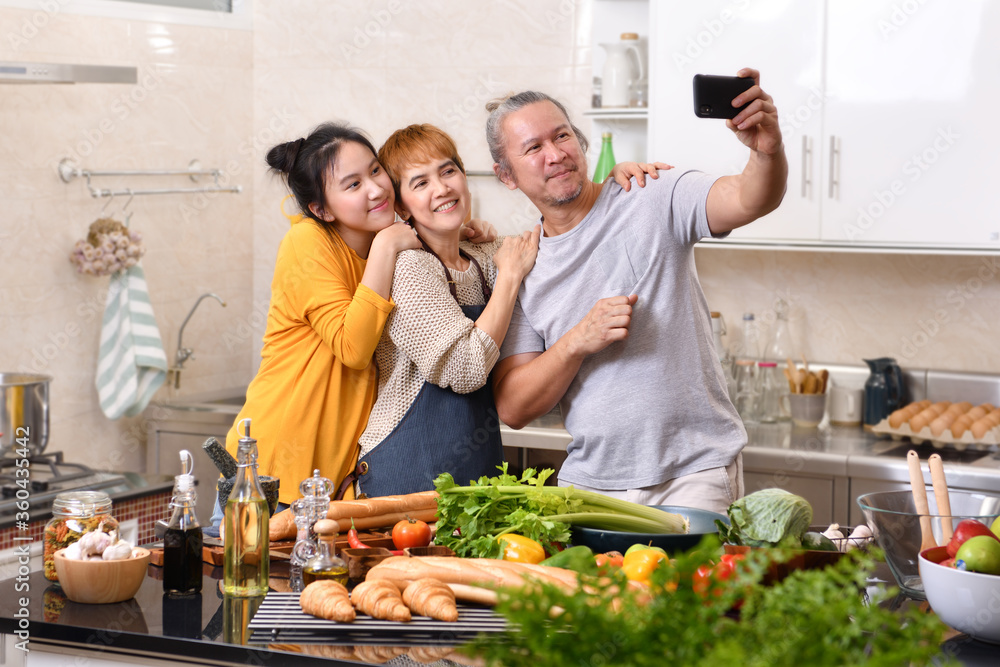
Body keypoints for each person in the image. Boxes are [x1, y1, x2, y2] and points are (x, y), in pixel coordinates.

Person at [487, 68, 788, 514]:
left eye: (562, 136)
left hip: (693, 474)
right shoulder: (523, 266)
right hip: (590, 486)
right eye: (533, 147)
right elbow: (513, 407)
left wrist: (767, 151)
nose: (555, 154)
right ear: (506, 175)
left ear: (580, 142)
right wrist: (577, 341)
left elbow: (747, 199)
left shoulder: (649, 193)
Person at [355, 124, 664, 497]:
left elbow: (559, 241)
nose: (442, 189)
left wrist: (610, 192)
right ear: (402, 205)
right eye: (420, 183)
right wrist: (509, 277)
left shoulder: (483, 254)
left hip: (475, 466)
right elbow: (465, 369)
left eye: (448, 171)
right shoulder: (409, 267)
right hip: (405, 467)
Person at [213, 123, 495, 529]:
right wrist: (387, 244)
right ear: (322, 210)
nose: (377, 189)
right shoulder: (308, 243)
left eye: (376, 171)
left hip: (337, 484)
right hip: (273, 477)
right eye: (352, 184)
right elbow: (353, 347)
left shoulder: (391, 244)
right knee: (259, 590)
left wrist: (467, 234)